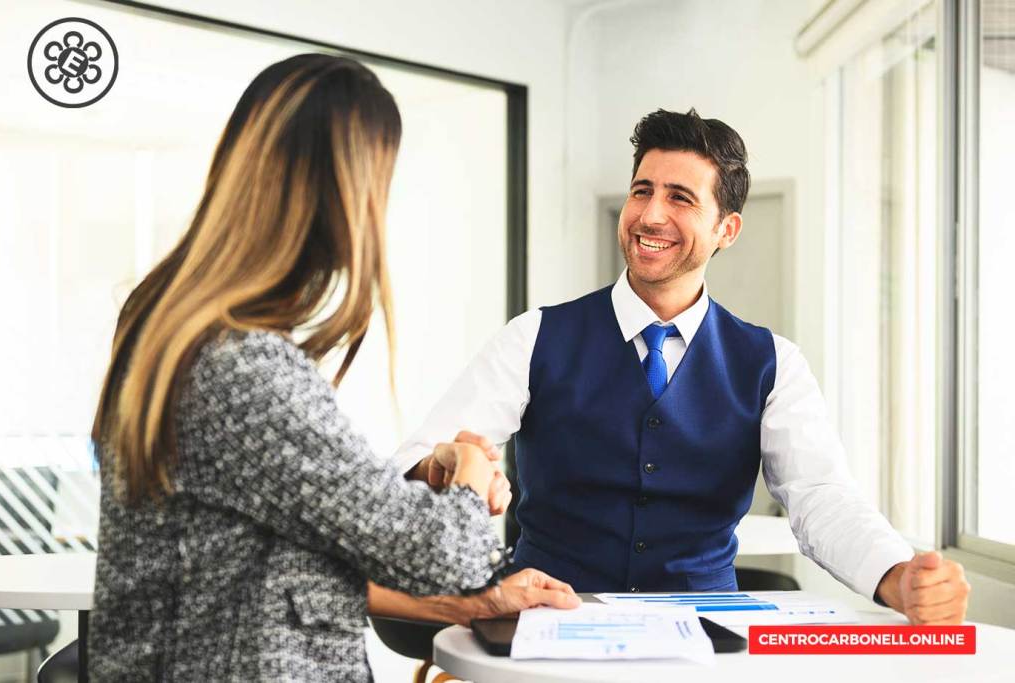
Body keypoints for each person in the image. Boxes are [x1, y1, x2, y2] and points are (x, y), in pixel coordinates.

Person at [88, 53, 576, 682]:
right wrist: (472, 468)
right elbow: (441, 551)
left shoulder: (176, 335)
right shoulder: (241, 369)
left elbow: (282, 560)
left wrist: (479, 596)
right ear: (344, 194)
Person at [395, 109, 971, 625]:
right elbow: (415, 459)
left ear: (727, 229)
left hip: (706, 635)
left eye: (680, 198)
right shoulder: (535, 336)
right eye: (641, 191)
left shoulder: (774, 363)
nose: (650, 215)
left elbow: (820, 495)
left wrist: (894, 575)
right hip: (551, 618)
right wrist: (440, 465)